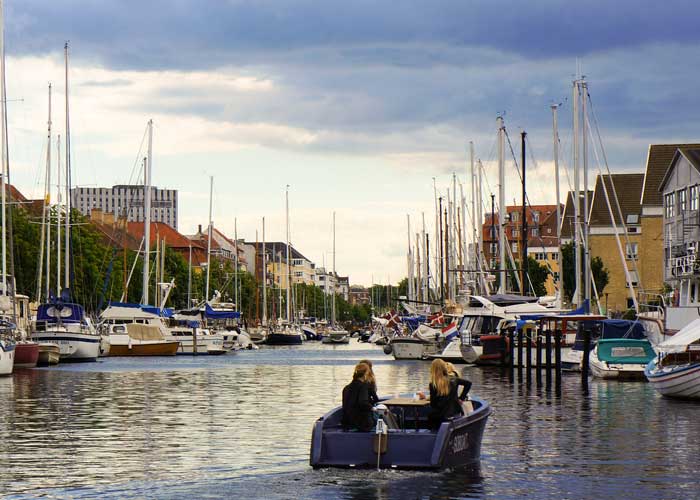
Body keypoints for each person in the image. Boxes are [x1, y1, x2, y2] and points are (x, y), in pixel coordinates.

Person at [421, 359, 471, 430]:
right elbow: (468, 383)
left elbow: (433, 404)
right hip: (455, 412)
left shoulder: (433, 384)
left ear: (433, 370)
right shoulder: (454, 379)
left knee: (431, 416)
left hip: (442, 415)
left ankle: (433, 434)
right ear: (444, 368)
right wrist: (461, 398)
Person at [341, 362, 375, 431]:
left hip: (347, 422)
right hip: (361, 424)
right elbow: (363, 403)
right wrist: (373, 408)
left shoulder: (346, 388)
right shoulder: (363, 386)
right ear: (365, 374)